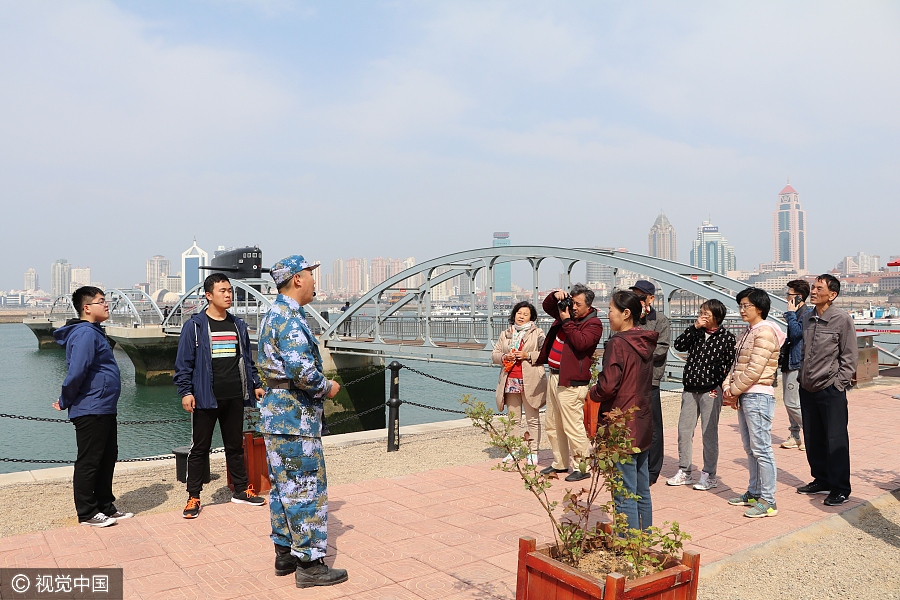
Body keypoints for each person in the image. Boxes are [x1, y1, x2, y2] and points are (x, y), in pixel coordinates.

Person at [257, 255, 348, 588]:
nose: (313, 279)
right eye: (310, 274)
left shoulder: (274, 314)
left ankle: (285, 554)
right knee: (306, 491)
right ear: (296, 279)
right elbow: (304, 373)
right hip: (295, 417)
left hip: (278, 415)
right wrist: (329, 388)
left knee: (284, 488)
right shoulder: (290, 319)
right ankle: (310, 566)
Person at [174, 273, 267, 519]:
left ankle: (241, 490)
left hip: (235, 395)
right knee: (199, 449)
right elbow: (184, 364)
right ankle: (193, 496)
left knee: (235, 446)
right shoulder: (194, 326)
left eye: (230, 291)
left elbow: (247, 359)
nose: (228, 295)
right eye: (222, 291)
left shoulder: (237, 325)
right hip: (205, 398)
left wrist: (255, 383)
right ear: (208, 295)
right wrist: (186, 392)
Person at [52, 287, 133, 527]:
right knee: (90, 460)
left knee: (107, 457)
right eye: (101, 301)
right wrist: (65, 399)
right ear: (86, 308)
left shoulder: (95, 332)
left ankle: (105, 506)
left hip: (104, 406)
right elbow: (77, 372)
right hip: (91, 407)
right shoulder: (85, 333)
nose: (106, 305)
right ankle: (87, 512)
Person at [588, 290, 658, 530]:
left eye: (610, 310)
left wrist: (592, 393)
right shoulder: (646, 340)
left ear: (626, 313)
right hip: (642, 422)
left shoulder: (618, 343)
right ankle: (644, 543)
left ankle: (627, 549)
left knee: (623, 493)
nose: (608, 315)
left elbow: (607, 387)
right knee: (641, 490)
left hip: (622, 426)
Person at [724, 288, 786, 518]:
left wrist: (733, 390)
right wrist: (727, 386)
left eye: (746, 305)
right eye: (740, 305)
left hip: (758, 395)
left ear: (759, 308)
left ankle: (768, 500)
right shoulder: (749, 332)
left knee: (762, 449)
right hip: (746, 394)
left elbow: (754, 370)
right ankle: (754, 491)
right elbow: (737, 365)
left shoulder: (765, 333)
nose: (741, 309)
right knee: (751, 448)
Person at [796, 274, 858, 506]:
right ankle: (821, 479)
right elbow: (803, 351)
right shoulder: (808, 318)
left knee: (836, 438)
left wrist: (838, 383)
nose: (813, 291)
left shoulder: (842, 319)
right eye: (813, 287)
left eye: (818, 288)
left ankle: (840, 487)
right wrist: (801, 377)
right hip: (808, 387)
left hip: (831, 388)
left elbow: (850, 356)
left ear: (832, 294)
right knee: (813, 437)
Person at [536, 283, 604, 482]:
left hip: (572, 382)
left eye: (577, 304)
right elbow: (548, 306)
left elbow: (581, 342)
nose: (573, 307)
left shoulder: (593, 324)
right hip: (555, 376)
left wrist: (567, 321)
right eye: (571, 302)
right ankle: (560, 463)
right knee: (553, 424)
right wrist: (554, 295)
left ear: (588, 306)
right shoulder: (567, 315)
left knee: (573, 426)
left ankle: (582, 467)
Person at [667, 299, 736, 491]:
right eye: (701, 312)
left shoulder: (727, 338)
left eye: (707, 313)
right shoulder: (696, 333)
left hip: (711, 390)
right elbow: (679, 345)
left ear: (717, 316)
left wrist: (725, 387)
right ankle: (685, 471)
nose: (702, 316)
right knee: (684, 431)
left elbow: (731, 365)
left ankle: (709, 474)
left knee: (709, 433)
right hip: (690, 388)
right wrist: (694, 327)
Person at [492, 301, 547, 465]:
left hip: (531, 380)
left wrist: (527, 355)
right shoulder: (506, 334)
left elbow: (545, 354)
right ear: (514, 314)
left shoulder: (538, 333)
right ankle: (514, 450)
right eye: (519, 313)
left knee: (532, 419)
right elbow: (495, 354)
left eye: (525, 314)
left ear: (531, 317)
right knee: (513, 419)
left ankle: (533, 452)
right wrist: (503, 357)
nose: (521, 316)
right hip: (510, 380)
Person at [629, 280, 670, 485]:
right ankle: (634, 466)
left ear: (651, 298)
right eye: (634, 296)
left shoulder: (660, 320)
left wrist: (635, 353)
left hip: (650, 379)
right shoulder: (629, 317)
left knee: (653, 426)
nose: (638, 300)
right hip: (630, 380)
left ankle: (653, 470)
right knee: (631, 422)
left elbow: (661, 348)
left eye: (641, 296)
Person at [779, 279, 814, 450]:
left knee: (791, 402)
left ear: (798, 297)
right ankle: (795, 435)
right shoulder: (799, 312)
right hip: (789, 360)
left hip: (797, 362)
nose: (786, 297)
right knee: (790, 401)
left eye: (789, 294)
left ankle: (813, 433)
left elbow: (798, 332)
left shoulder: (806, 313)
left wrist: (790, 314)